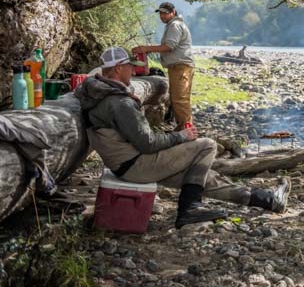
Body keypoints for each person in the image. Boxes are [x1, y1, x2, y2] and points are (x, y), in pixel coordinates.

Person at [75, 47, 290, 228]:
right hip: (137, 165)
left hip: (126, 163)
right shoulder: (118, 103)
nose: (133, 70)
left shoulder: (96, 91)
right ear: (119, 68)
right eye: (130, 66)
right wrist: (182, 136)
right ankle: (190, 209)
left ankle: (268, 200)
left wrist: (172, 138)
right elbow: (148, 143)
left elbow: (138, 138)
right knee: (207, 145)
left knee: (200, 177)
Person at [132, 2, 194, 130]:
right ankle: (184, 127)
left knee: (180, 99)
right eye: (160, 13)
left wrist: (145, 48)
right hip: (178, 67)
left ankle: (186, 129)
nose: (162, 16)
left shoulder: (174, 25)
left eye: (165, 13)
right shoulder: (174, 25)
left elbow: (169, 46)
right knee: (177, 97)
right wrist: (149, 50)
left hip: (180, 67)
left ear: (173, 12)